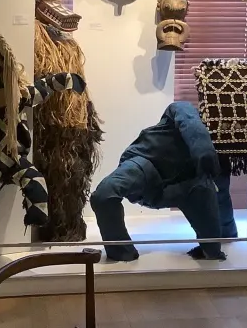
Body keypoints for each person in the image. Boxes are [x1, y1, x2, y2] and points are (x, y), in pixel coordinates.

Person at [90, 102, 234, 261]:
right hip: (146, 163)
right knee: (104, 195)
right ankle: (121, 252)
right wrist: (205, 154)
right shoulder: (183, 109)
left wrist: (222, 239)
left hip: (184, 186)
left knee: (212, 249)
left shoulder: (213, 164)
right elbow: (191, 124)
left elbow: (221, 197)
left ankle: (211, 249)